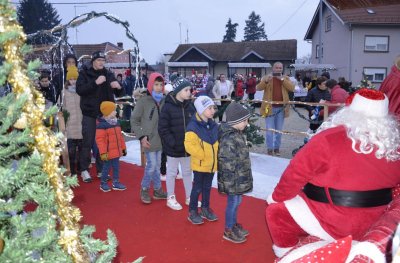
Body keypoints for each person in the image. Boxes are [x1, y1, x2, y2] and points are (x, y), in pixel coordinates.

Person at [265, 88, 400, 262]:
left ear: (349, 111)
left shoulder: (328, 138)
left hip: (331, 219)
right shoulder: (394, 145)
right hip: (374, 219)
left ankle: (287, 253)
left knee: (275, 212)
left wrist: (276, 197)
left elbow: (293, 176)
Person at [76, 51, 122, 183]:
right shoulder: (85, 73)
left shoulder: (108, 74)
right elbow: (80, 90)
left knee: (104, 142)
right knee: (88, 141)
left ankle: (102, 170)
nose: (101, 62)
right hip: (89, 113)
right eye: (98, 60)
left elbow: (119, 92)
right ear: (93, 62)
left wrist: (118, 86)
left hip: (105, 114)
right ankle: (84, 169)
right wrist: (95, 83)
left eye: (103, 60)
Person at [158, 77, 196, 210]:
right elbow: (163, 128)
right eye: (186, 90)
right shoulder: (168, 107)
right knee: (172, 172)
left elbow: (195, 124)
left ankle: (190, 197)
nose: (189, 92)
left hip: (187, 148)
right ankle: (170, 197)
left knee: (187, 172)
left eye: (189, 90)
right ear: (179, 91)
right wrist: (171, 142)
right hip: (173, 148)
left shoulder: (190, 106)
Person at [218, 102, 253, 243]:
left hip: (238, 178)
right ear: (236, 121)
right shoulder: (229, 138)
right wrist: (230, 183)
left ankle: (233, 225)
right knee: (232, 204)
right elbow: (226, 163)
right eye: (244, 120)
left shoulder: (236, 133)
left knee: (237, 202)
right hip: (232, 180)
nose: (247, 123)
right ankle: (228, 229)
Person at [131, 72, 168, 204]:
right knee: (151, 166)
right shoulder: (144, 101)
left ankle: (157, 190)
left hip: (161, 141)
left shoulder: (164, 101)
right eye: (156, 84)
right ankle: (144, 189)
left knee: (157, 166)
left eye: (161, 84)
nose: (158, 87)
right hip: (148, 141)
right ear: (150, 85)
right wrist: (141, 136)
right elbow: (134, 120)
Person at [185, 96, 219, 225]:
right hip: (200, 164)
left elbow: (217, 141)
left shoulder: (213, 124)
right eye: (209, 108)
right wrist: (203, 155)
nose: (212, 111)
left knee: (207, 188)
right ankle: (192, 211)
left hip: (211, 165)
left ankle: (205, 208)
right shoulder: (193, 126)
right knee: (197, 188)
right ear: (200, 110)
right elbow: (189, 145)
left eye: (213, 108)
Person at [256, 62, 295, 156]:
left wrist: (282, 80)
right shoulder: (267, 77)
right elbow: (258, 88)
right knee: (269, 130)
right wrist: (265, 81)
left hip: (281, 109)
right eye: (276, 68)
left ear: (282, 69)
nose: (278, 69)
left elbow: (292, 88)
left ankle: (276, 148)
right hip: (269, 108)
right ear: (273, 68)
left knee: (279, 130)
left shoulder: (285, 78)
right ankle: (270, 149)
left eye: (280, 68)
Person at [96, 101, 127, 192]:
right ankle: (103, 183)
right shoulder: (102, 126)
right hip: (108, 153)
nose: (116, 112)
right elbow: (100, 141)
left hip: (116, 152)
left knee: (116, 167)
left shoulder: (116, 123)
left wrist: (123, 148)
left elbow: (120, 137)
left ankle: (116, 182)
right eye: (114, 110)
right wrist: (103, 153)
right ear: (108, 112)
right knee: (106, 168)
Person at [63, 65, 82, 177]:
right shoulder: (64, 92)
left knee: (81, 149)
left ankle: (80, 168)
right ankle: (72, 170)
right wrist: (64, 124)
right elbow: (62, 108)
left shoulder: (81, 91)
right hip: (70, 125)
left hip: (80, 124)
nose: (73, 81)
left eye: (75, 79)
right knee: (71, 151)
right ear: (68, 80)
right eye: (71, 79)